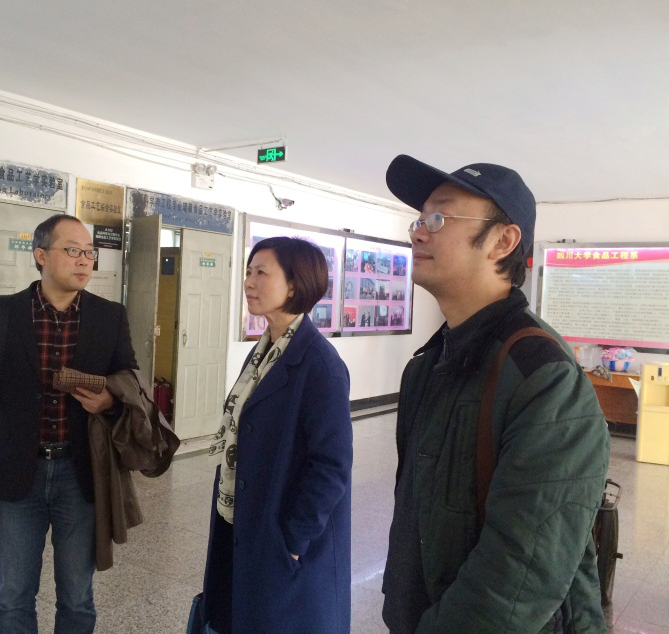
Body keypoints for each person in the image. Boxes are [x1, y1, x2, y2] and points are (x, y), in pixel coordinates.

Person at [381, 155, 609, 633]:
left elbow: (521, 576)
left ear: (503, 241)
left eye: (439, 218)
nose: (418, 233)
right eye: (420, 219)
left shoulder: (541, 375)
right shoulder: (427, 365)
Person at [0, 214, 137, 633]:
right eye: (72, 250)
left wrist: (109, 398)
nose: (85, 260)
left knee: (77, 596)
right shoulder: (1, 313)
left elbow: (128, 377)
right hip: (20, 472)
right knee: (14, 597)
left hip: (81, 473)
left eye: (89, 252)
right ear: (40, 255)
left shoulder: (109, 315)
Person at [201, 237, 353, 633]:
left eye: (261, 273)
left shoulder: (320, 365)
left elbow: (332, 466)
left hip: (279, 532)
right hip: (244, 518)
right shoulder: (264, 352)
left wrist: (293, 540)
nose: (249, 282)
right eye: (248, 271)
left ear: (294, 284)